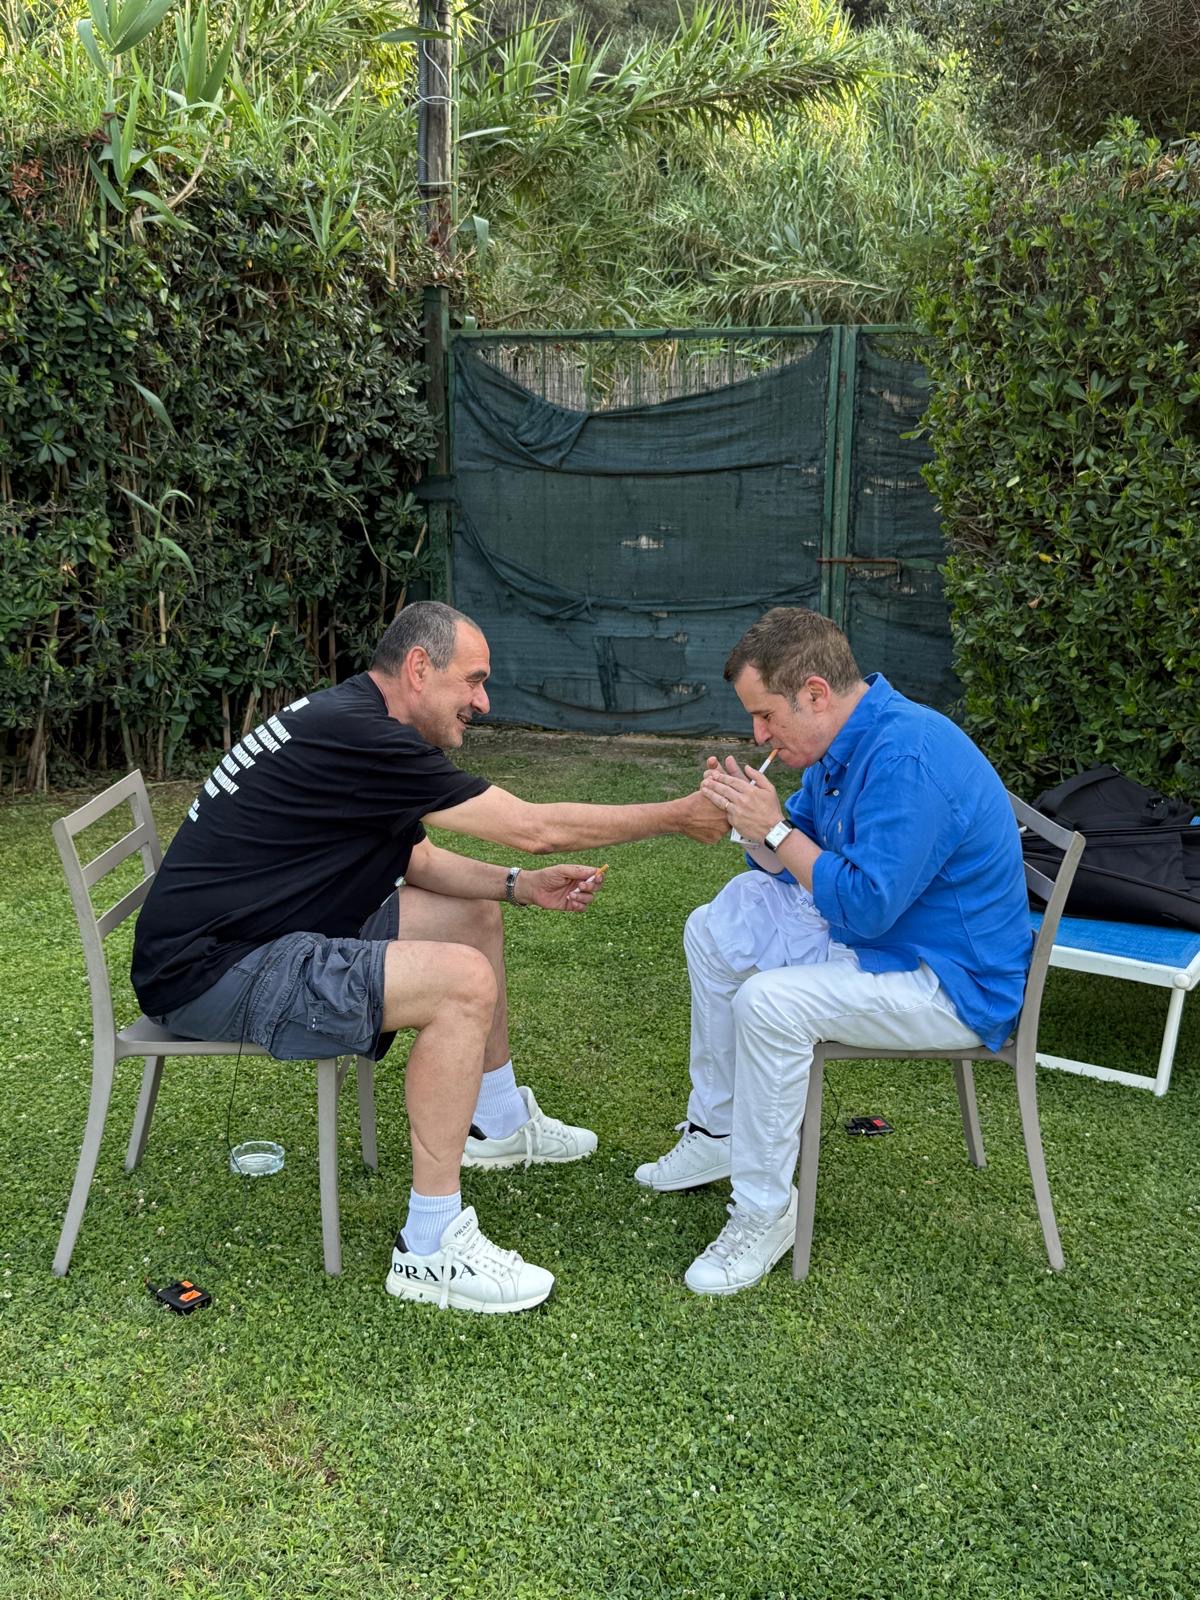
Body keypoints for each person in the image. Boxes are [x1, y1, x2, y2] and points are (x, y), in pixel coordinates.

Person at [132, 601, 727, 1315]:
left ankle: (496, 1122)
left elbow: (415, 858)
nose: (483, 701)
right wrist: (677, 815)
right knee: (460, 984)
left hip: (249, 934)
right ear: (419, 667)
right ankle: (429, 1246)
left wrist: (518, 886)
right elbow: (532, 826)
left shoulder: (354, 720)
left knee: (472, 917)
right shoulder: (363, 736)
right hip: (216, 971)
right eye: (473, 680)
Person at [635, 607, 1032, 1297]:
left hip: (948, 980)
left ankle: (765, 1213)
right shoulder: (844, 741)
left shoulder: (907, 757)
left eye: (765, 716)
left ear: (815, 694)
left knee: (769, 1005)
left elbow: (864, 903)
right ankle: (718, 1132)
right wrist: (752, 823)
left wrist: (775, 830)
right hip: (885, 938)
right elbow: (798, 856)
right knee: (712, 929)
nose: (758, 735)